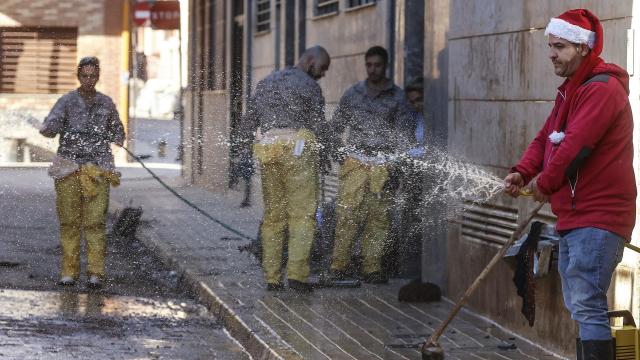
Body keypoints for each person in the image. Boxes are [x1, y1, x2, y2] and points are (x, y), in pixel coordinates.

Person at [504, 9, 635, 360]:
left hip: (599, 215)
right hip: (576, 216)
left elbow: (574, 146)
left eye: (559, 46)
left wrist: (545, 184)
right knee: (581, 303)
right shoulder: (569, 92)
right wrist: (523, 171)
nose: (551, 54)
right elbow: (546, 137)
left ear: (581, 47)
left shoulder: (603, 90)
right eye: (550, 45)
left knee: (587, 303)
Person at [237, 46, 332, 292]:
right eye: (322, 69)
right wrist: (330, 151)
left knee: (273, 217)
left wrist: (242, 149)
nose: (322, 74)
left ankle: (272, 278)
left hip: (268, 151)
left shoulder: (267, 81)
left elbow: (249, 120)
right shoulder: (310, 86)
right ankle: (297, 276)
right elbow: (318, 125)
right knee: (302, 215)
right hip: (297, 152)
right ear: (310, 60)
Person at [329, 46, 414, 284]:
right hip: (355, 161)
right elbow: (336, 126)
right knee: (347, 214)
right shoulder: (353, 93)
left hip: (383, 164)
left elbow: (405, 135)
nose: (373, 69)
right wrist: (341, 155)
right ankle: (339, 266)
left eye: (377, 65)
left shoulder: (398, 97)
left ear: (385, 66)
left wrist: (395, 165)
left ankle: (372, 268)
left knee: (378, 219)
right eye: (369, 65)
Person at [40, 56, 125, 289]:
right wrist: (48, 128)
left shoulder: (106, 103)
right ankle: (69, 272)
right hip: (68, 169)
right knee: (69, 222)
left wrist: (118, 137)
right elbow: (51, 126)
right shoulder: (66, 102)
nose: (89, 80)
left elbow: (118, 130)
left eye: (93, 75)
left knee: (96, 222)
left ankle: (96, 273)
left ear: (98, 77)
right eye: (85, 75)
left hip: (98, 169)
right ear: (78, 76)